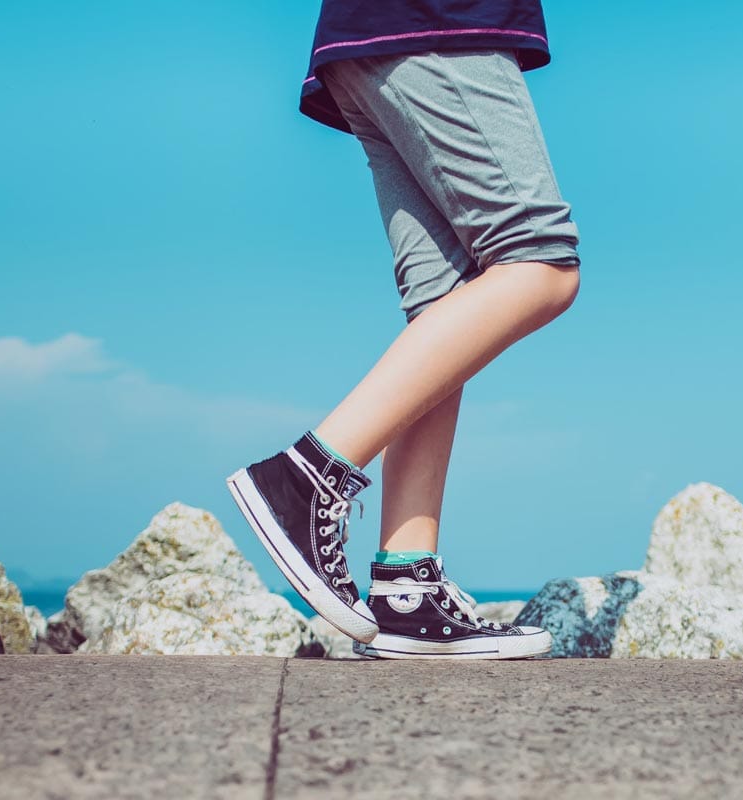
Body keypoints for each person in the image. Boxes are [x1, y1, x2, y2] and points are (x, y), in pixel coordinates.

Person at [226, 0, 579, 660]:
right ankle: (305, 477)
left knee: (446, 308)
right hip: (441, 23)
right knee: (541, 260)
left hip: (367, 40)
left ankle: (405, 586)